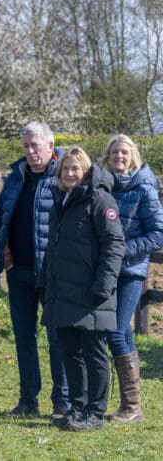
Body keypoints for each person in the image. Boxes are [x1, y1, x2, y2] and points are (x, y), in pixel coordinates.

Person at [38, 147, 125, 431]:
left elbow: (114, 245)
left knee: (94, 353)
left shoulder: (100, 201)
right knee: (70, 353)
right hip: (63, 292)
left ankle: (95, 412)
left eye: (76, 168)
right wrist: (47, 281)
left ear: (86, 171)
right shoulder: (61, 202)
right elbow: (53, 247)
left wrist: (103, 286)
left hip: (91, 293)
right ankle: (77, 407)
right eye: (66, 169)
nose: (70, 174)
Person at [0, 121, 70, 420]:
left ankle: (61, 400)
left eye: (35, 145)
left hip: (52, 274)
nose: (30, 151)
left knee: (56, 338)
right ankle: (28, 399)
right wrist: (4, 253)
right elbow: (1, 217)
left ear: (50, 146)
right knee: (24, 337)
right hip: (19, 270)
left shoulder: (64, 177)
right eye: (25, 146)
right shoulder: (15, 178)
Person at [99, 135, 163, 423]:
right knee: (121, 332)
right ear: (107, 157)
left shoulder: (144, 189)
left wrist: (123, 251)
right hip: (105, 270)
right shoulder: (102, 186)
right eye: (114, 152)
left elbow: (158, 233)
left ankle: (132, 405)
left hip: (130, 271)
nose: (119, 156)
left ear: (133, 156)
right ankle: (131, 405)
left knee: (116, 330)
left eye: (124, 152)